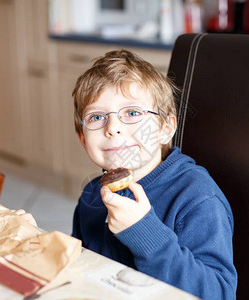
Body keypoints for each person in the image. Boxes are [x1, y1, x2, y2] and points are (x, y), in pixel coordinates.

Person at [71, 49, 237, 299]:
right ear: (83, 139)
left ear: (165, 128)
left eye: (132, 113)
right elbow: (79, 266)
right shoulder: (93, 194)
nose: (113, 128)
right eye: (96, 117)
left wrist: (143, 232)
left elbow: (218, 293)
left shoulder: (197, 198)